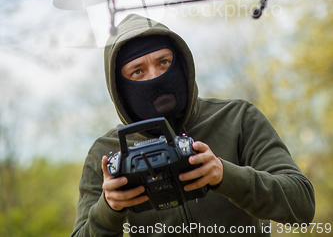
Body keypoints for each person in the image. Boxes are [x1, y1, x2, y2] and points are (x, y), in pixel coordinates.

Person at [71, 14, 315, 237]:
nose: (155, 77)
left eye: (164, 62)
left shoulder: (237, 117)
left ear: (182, 65)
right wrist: (109, 208)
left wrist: (224, 175)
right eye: (137, 72)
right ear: (119, 89)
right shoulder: (105, 153)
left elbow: (302, 205)